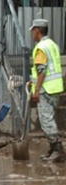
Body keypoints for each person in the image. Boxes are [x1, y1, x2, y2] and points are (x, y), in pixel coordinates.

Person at [30, 19, 65, 162]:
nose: (32, 34)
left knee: (46, 121)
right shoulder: (53, 45)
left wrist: (37, 90)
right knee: (49, 118)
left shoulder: (41, 48)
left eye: (33, 31)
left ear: (37, 31)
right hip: (55, 88)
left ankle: (58, 150)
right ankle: (53, 149)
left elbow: (42, 71)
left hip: (45, 89)